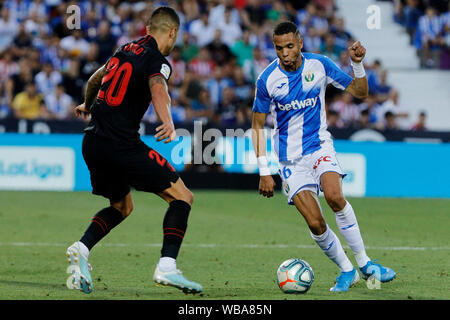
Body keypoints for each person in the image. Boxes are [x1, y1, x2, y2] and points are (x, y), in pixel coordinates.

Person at [66, 6, 202, 295]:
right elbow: (158, 87)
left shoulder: (123, 49)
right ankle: (167, 266)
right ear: (173, 32)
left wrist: (88, 107)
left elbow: (94, 81)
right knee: (183, 197)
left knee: (122, 206)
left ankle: (82, 248)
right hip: (121, 144)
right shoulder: (158, 60)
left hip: (92, 141)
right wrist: (168, 121)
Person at [251, 21, 396, 292]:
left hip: (319, 146)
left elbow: (360, 93)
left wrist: (357, 64)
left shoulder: (319, 65)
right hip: (289, 161)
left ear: (300, 43)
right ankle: (347, 270)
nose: (284, 53)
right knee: (316, 223)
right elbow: (257, 126)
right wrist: (264, 170)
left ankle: (366, 264)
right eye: (279, 48)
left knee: (334, 196)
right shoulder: (267, 80)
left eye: (290, 46)